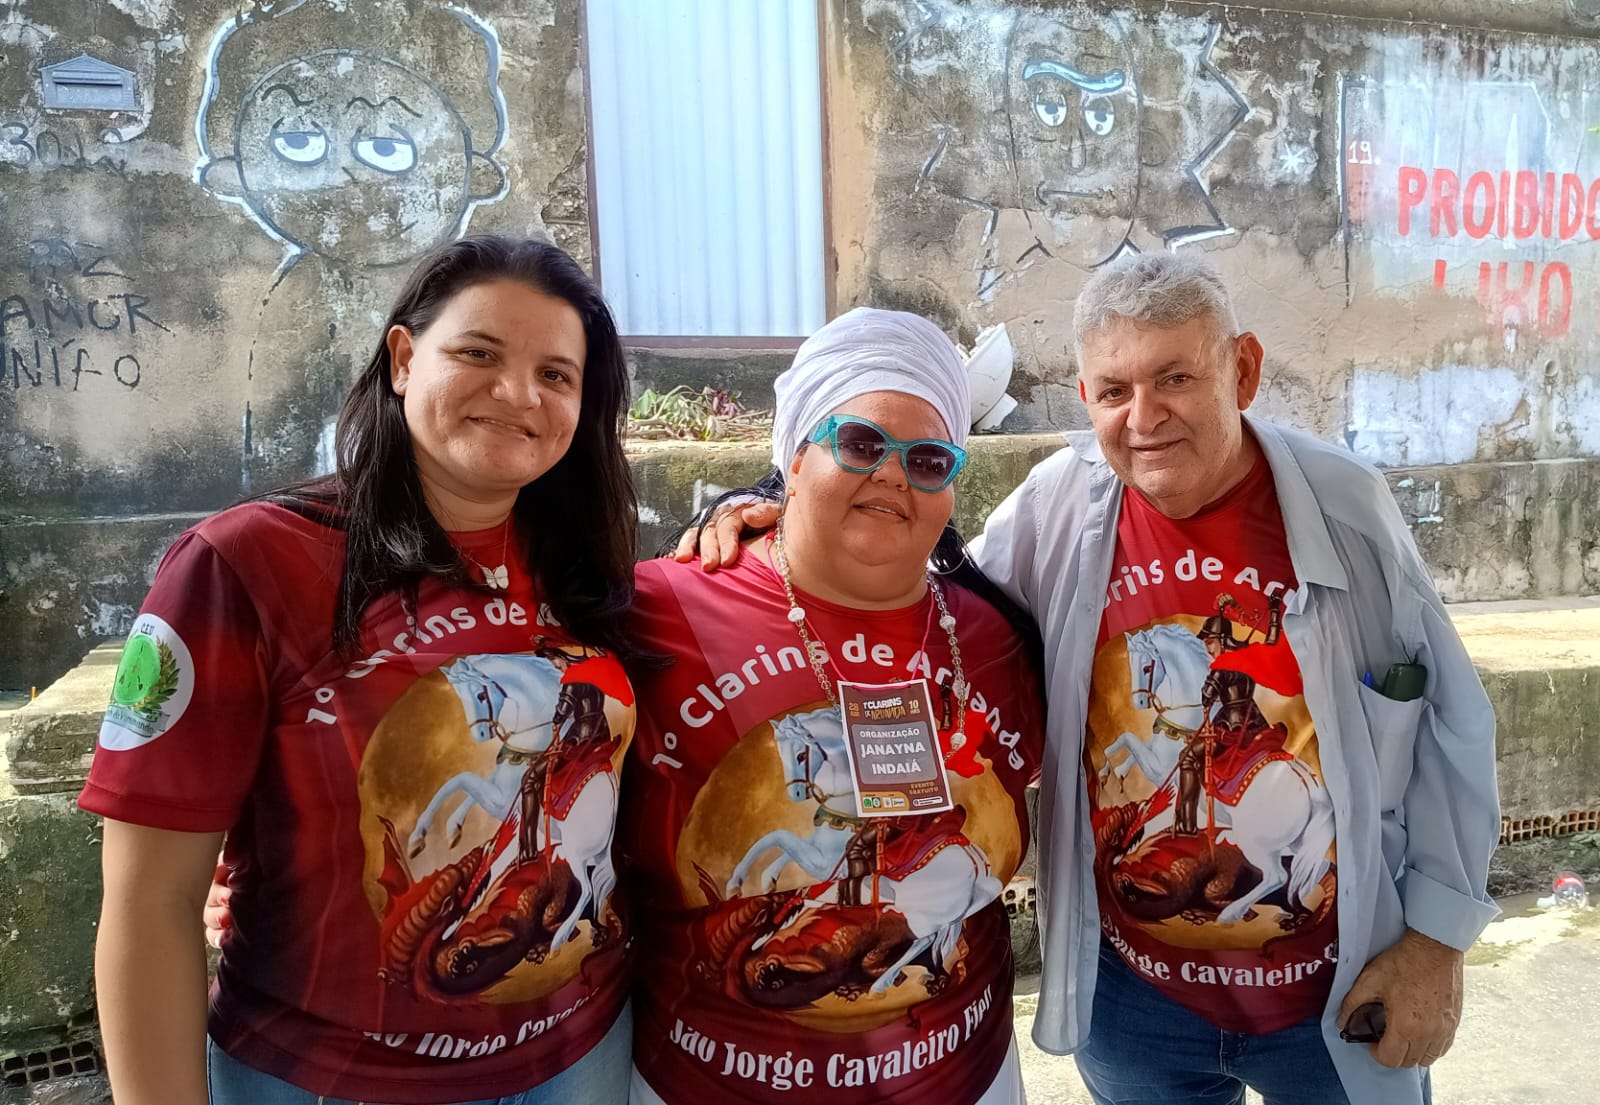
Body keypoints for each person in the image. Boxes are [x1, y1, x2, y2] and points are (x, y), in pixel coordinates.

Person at [683, 253, 1499, 1105]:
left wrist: (1437, 943)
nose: (1144, 417)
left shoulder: (1347, 508)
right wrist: (771, 499)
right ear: (1085, 398)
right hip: (1136, 1005)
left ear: (1243, 369)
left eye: (1175, 377)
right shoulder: (1057, 506)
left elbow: (1451, 722)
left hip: (1336, 996)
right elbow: (928, 588)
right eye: (1115, 391)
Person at [81, 235, 640, 1105]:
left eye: (555, 374)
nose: (518, 393)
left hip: (579, 1060)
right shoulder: (242, 563)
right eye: (479, 353)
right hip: (330, 1079)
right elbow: (150, 901)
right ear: (404, 359)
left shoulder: (585, 566)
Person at [623, 308, 1046, 1105]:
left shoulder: (1000, 636)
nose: (893, 474)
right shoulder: (656, 609)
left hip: (965, 1080)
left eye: (928, 459)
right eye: (860, 443)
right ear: (792, 456)